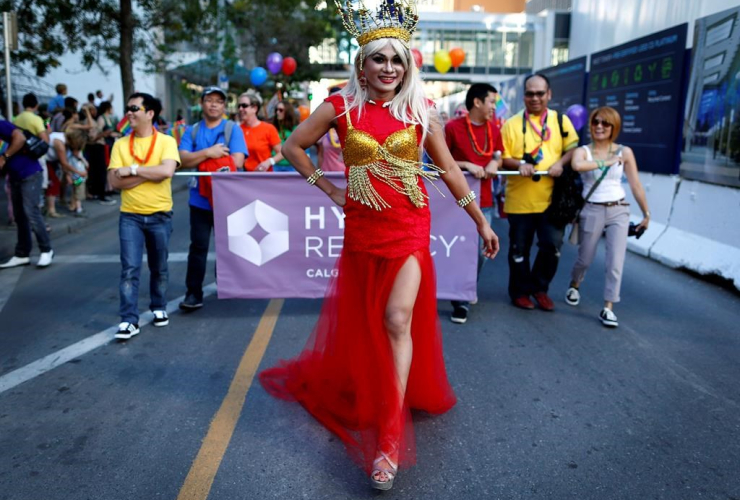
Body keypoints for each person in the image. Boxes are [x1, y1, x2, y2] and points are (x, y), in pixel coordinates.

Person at [258, 2, 499, 490]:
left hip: (409, 225)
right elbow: (291, 147)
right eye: (379, 59)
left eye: (397, 59)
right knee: (369, 322)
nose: (389, 68)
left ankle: (389, 441)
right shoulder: (339, 108)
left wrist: (478, 219)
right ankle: (378, 391)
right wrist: (329, 191)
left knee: (395, 319)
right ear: (361, 65)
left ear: (407, 66)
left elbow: (450, 171)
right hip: (363, 229)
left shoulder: (421, 112)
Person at [566, 107, 650, 327]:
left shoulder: (625, 152)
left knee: (615, 261)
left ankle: (608, 306)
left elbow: (636, 184)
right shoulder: (584, 150)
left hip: (619, 209)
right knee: (585, 258)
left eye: (605, 123)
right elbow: (577, 165)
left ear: (614, 127)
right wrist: (607, 162)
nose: (599, 127)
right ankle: (575, 284)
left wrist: (646, 213)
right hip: (592, 208)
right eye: (596, 122)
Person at [501, 73, 579, 311]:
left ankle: (539, 288)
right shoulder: (512, 124)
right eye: (529, 93)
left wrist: (560, 163)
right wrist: (519, 164)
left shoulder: (560, 121)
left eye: (539, 93)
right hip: (520, 200)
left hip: (552, 201)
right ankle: (520, 291)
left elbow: (573, 148)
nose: (534, 98)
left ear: (549, 95)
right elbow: (503, 158)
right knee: (518, 249)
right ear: (524, 95)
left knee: (552, 246)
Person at [107, 93, 180, 340]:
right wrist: (150, 174)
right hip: (130, 216)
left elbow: (167, 170)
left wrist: (132, 171)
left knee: (159, 266)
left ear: (150, 113)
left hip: (160, 214)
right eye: (127, 107)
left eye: (134, 108)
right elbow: (114, 181)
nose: (129, 112)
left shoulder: (166, 142)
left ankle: (158, 306)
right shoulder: (119, 144)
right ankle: (128, 319)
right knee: (130, 268)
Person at [178, 86, 247, 311]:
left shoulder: (232, 129)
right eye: (209, 100)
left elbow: (237, 161)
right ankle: (193, 293)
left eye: (219, 101)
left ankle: (228, 286)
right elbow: (182, 159)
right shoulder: (192, 130)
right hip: (199, 198)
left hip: (226, 199)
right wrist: (210, 153)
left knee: (227, 245)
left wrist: (199, 157)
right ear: (202, 103)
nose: (214, 104)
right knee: (198, 246)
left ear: (224, 105)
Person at [444, 83, 504, 324]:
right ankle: (461, 299)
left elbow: (498, 153)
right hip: (455, 204)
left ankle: (466, 289)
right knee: (458, 250)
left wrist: (494, 164)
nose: (494, 107)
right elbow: (439, 162)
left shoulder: (494, 129)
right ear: (477, 102)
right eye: (491, 101)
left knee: (481, 252)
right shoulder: (452, 128)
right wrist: (466, 165)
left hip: (485, 202)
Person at [0, 120, 54, 269]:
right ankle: (22, 254)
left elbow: (20, 138)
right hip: (15, 176)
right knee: (20, 216)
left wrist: (4, 157)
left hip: (30, 173)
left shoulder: (1, 124)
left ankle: (46, 249)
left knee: (31, 211)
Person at [237, 91, 283, 172]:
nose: (240, 109)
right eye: (239, 106)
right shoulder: (237, 129)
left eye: (244, 106)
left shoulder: (268, 128)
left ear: (254, 108)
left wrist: (269, 162)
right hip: (243, 177)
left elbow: (282, 153)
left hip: (264, 176)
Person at [316, 87, 346, 172]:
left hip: (346, 178)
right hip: (327, 176)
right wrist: (319, 178)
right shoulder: (323, 127)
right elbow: (320, 155)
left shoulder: (351, 127)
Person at [271, 99, 298, 172]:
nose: (277, 112)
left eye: (281, 110)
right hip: (275, 165)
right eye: (276, 110)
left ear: (287, 112)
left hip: (292, 166)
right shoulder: (272, 128)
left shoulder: (296, 129)